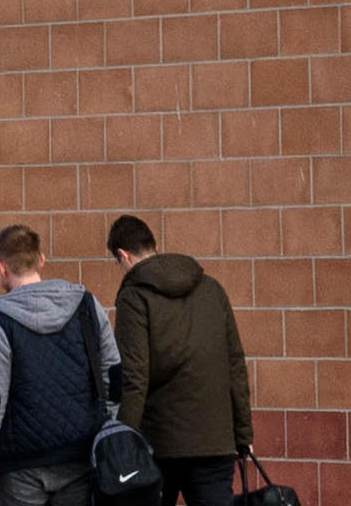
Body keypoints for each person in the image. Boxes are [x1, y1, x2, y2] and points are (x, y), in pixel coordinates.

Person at [0, 222, 121, 506]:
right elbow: (114, 374)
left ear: (1, 268)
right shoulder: (86, 306)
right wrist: (106, 426)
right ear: (41, 261)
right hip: (80, 455)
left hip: (19, 466)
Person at [106, 215, 253, 506]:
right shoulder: (212, 288)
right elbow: (234, 363)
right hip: (215, 441)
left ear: (122, 255)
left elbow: (134, 377)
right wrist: (243, 432)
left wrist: (123, 441)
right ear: (155, 245)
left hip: (159, 444)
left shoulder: (134, 297)